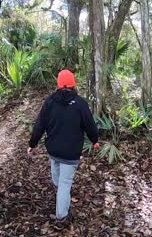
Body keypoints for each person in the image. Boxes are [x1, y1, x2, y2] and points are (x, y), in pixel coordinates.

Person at [27, 69, 99, 230]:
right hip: (71, 153)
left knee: (59, 181)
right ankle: (61, 217)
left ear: (58, 84)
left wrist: (32, 144)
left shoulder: (50, 102)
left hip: (54, 151)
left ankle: (62, 203)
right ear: (73, 84)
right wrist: (95, 140)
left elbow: (39, 126)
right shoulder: (80, 103)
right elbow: (90, 125)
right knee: (64, 184)